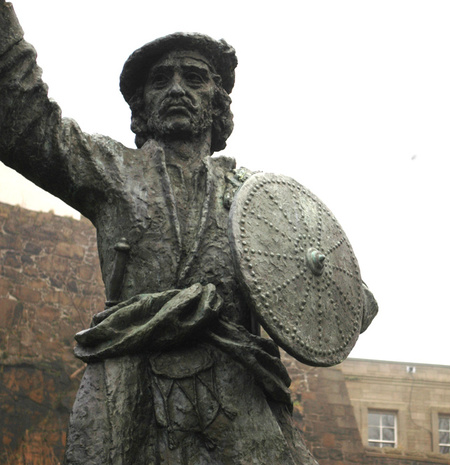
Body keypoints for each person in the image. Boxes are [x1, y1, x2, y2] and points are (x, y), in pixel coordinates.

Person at [0, 2, 376, 463]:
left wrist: (329, 291)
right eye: (161, 80)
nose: (177, 88)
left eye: (194, 78)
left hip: (236, 399)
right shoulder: (111, 171)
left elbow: (339, 299)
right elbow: (25, 123)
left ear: (216, 102)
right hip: (129, 391)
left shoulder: (256, 201)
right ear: (142, 105)